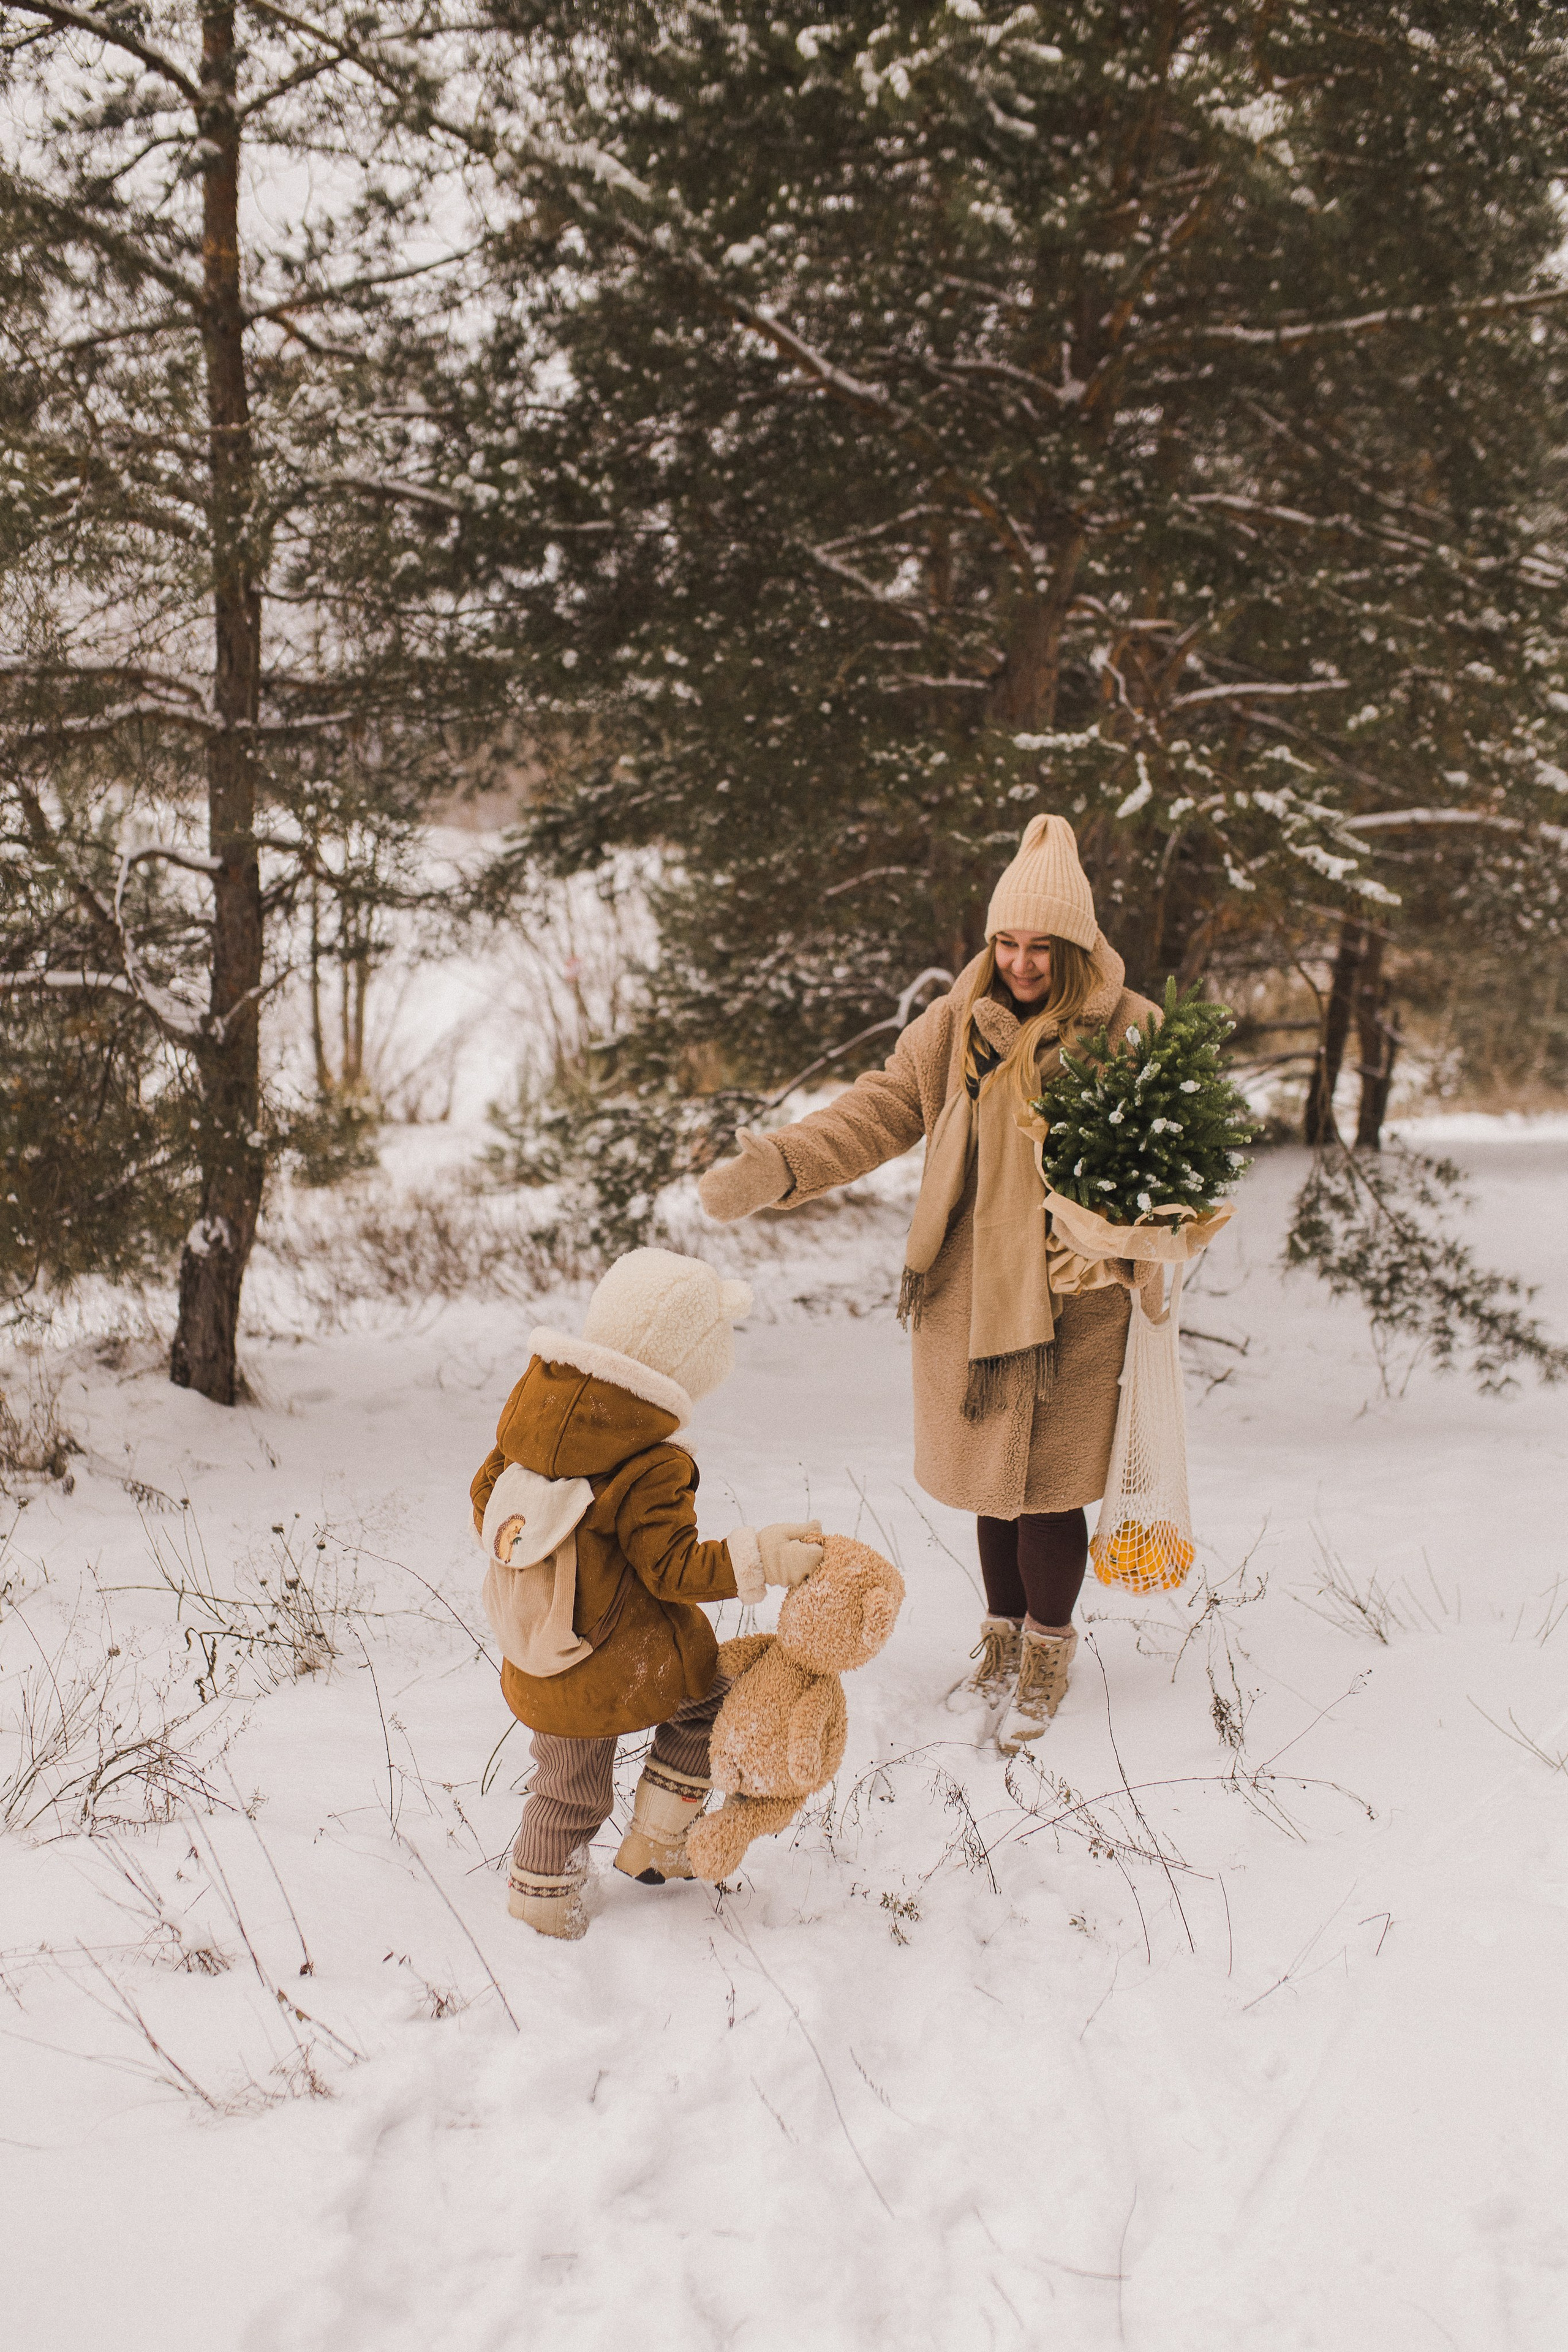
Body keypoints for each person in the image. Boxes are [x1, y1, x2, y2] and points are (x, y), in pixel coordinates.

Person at [699, 815, 1156, 1749]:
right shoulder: (953, 1028)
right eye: (1005, 941)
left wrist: (1119, 1243)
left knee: (1050, 1489)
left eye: (1040, 946)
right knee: (992, 1483)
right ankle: (999, 1640)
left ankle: (1046, 1657)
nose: (1021, 963)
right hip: (967, 1294)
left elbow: (1180, 1174)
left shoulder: (1133, 1032)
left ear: (1076, 945)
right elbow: (876, 1114)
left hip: (1077, 1297)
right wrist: (776, 1167)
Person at [470, 1246, 822, 1939]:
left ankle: (546, 1899)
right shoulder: (649, 1460)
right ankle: (656, 1842)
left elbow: (488, 1504)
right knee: (710, 1702)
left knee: (567, 1786)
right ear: (691, 1359)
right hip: (622, 1661)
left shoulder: (529, 1417)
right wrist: (762, 1556)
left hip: (538, 1649)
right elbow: (674, 1570)